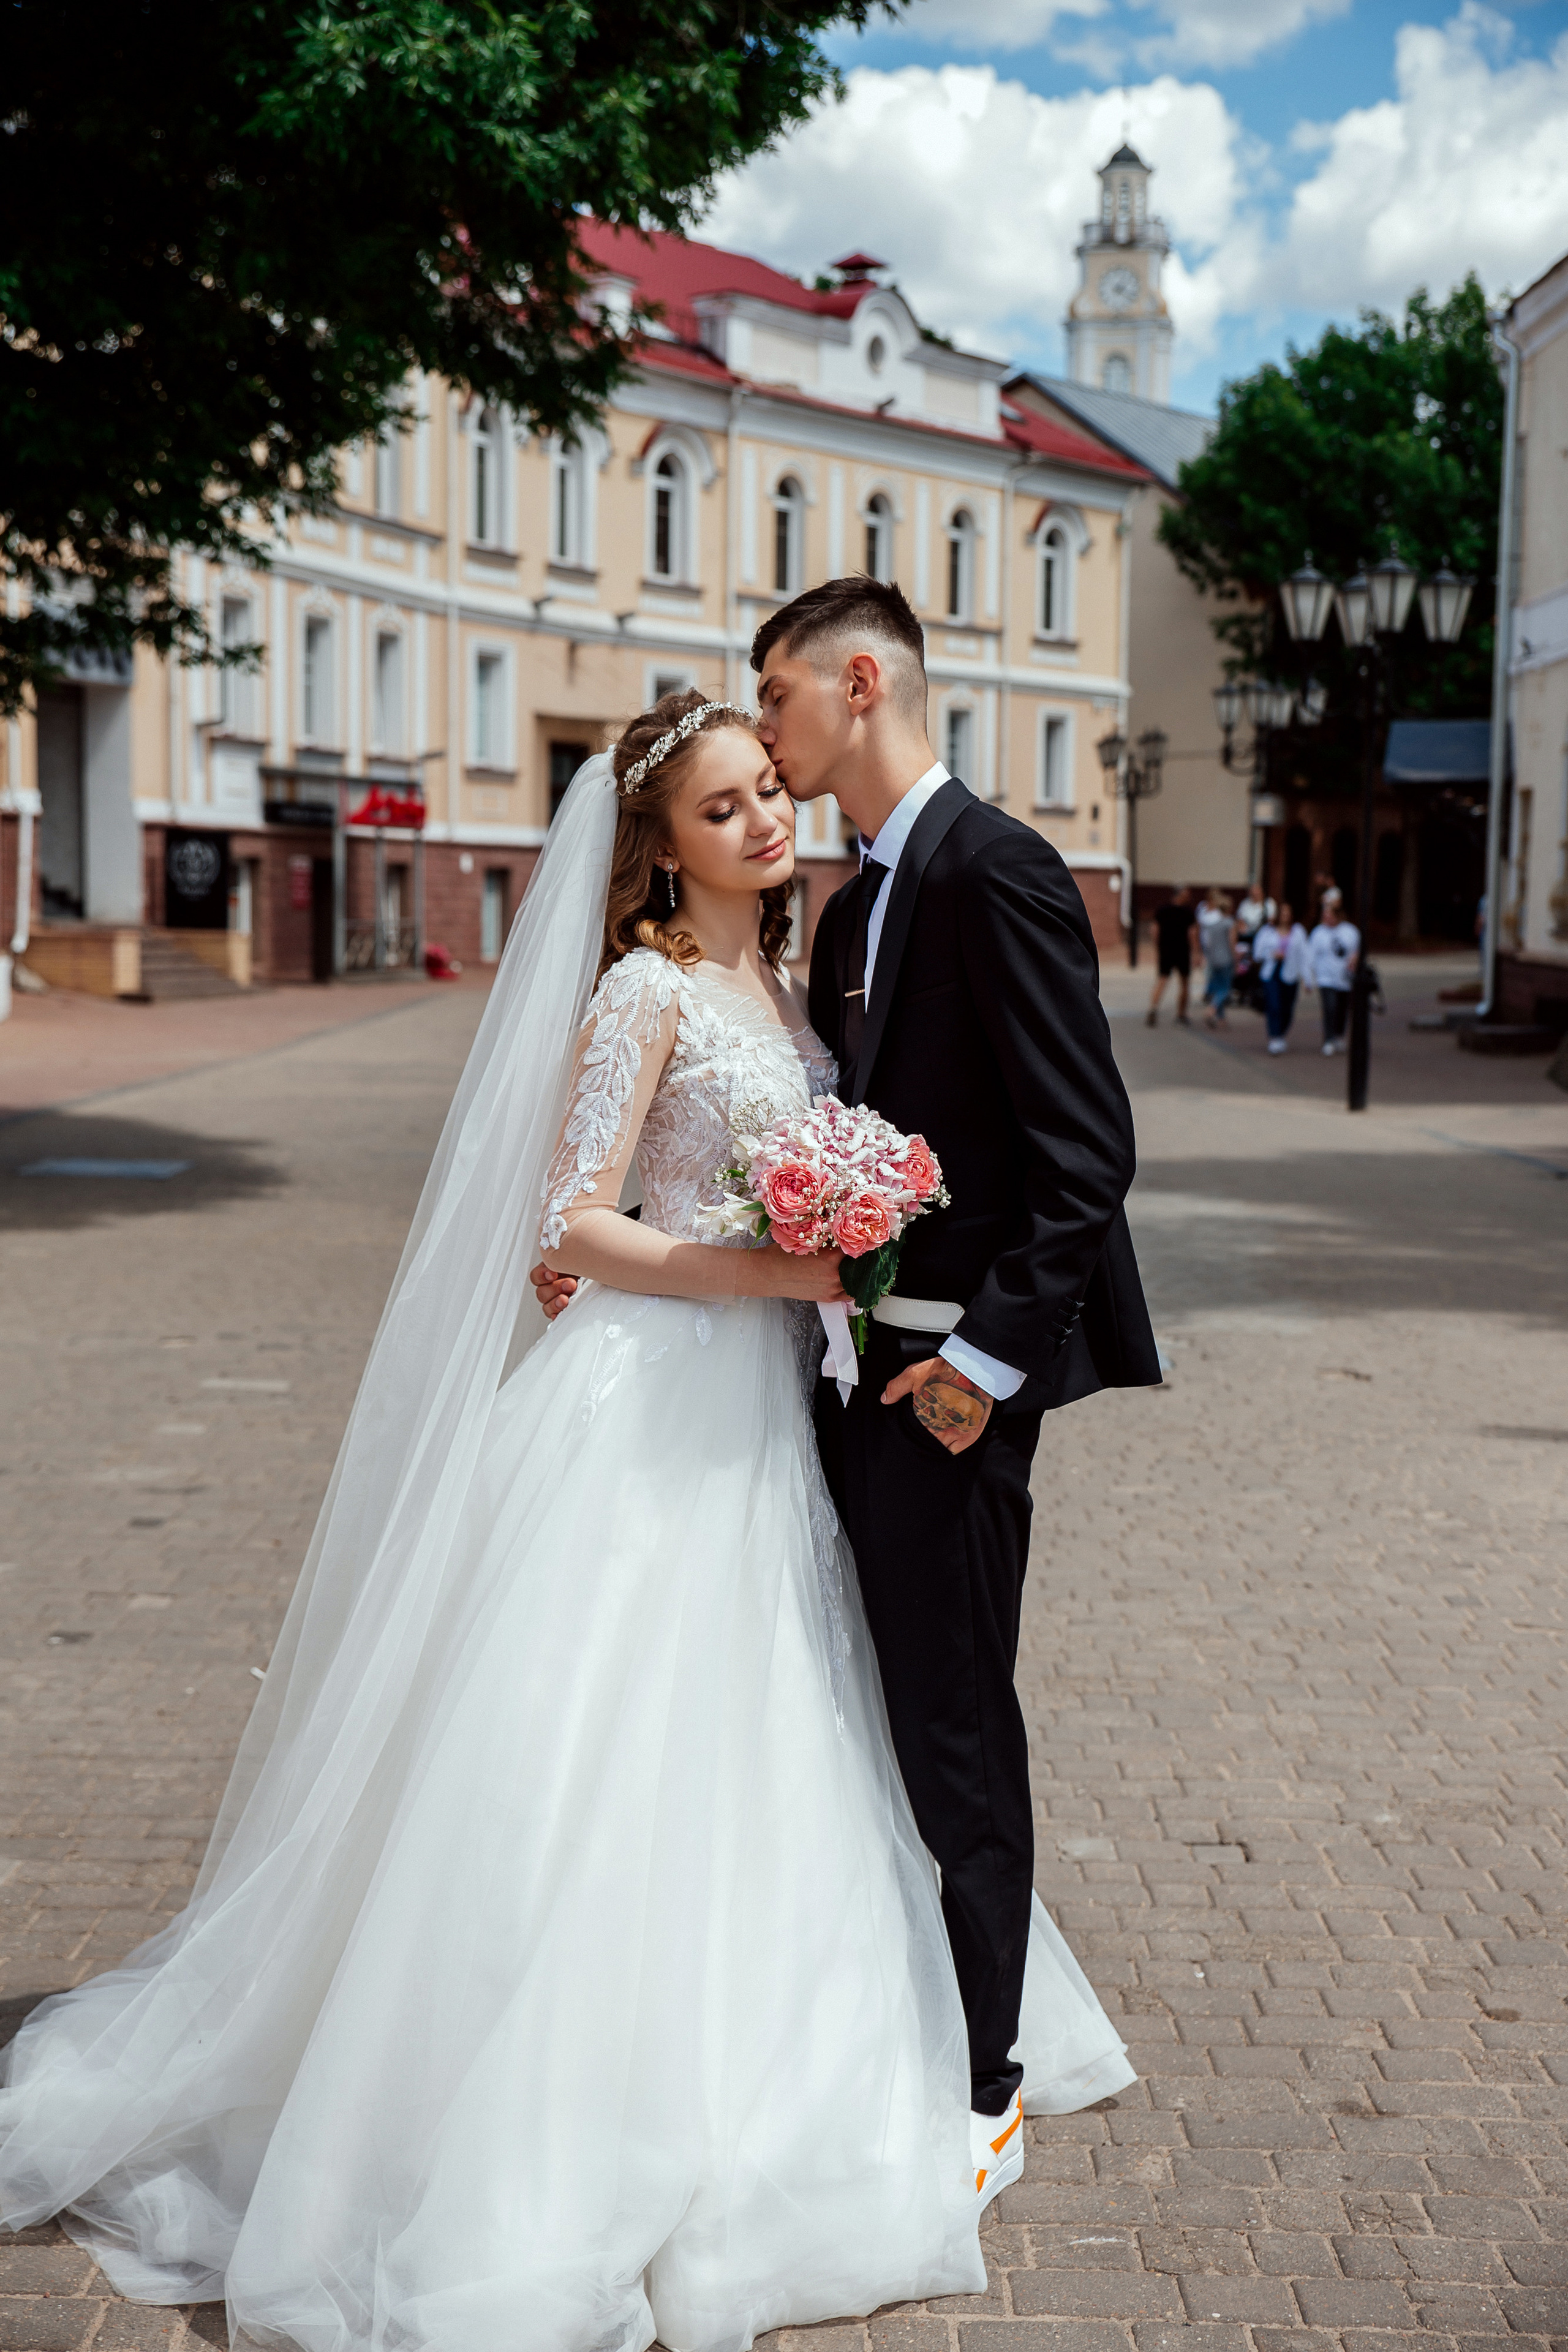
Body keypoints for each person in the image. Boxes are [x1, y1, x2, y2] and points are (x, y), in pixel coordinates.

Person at [2, 690, 1136, 2352]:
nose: (765, 823)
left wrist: (852, 1243)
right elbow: (578, 1223)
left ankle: (764, 2060)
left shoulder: (795, 973)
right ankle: (528, 2123)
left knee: (775, 1732)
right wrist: (799, 1263)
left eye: (767, 793)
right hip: (650, 1400)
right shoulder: (642, 989)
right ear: (656, 852)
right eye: (724, 810)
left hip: (768, 1410)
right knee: (598, 1742)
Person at [544, 579, 1156, 2193]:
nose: (768, 755)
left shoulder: (996, 869)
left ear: (856, 682)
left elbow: (1086, 1158)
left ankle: (987, 2084)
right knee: (872, 1716)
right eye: (726, 781)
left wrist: (977, 1369)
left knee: (955, 1725)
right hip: (827, 1382)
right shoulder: (860, 903)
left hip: (943, 1382)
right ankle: (897, 2024)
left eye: (777, 708)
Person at [1308, 886, 1359, 1055]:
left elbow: (1357, 950)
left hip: (1344, 978)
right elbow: (1311, 956)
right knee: (1330, 1007)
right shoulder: (1318, 933)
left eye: (1329, 915)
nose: (1325, 917)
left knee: (1342, 1009)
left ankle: (1338, 1036)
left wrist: (1355, 959)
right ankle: (1328, 1039)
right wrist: (1310, 979)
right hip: (1325, 978)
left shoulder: (1350, 931)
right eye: (1324, 914)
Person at [1252, 900, 1308, 1053]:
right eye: (1282, 913)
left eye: (1288, 913)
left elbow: (1304, 956)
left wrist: (1308, 979)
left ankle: (1281, 1034)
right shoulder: (1267, 931)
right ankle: (1274, 1037)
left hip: (1290, 974)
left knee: (1287, 1008)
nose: (1285, 916)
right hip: (1272, 973)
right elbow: (1257, 954)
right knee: (1274, 1005)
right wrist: (1272, 954)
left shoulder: (1298, 932)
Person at [1147, 886, 1196, 1025]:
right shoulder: (1188, 912)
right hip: (1182, 951)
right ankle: (1181, 1013)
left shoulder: (1163, 910)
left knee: (1163, 979)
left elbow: (1154, 930)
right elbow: (1192, 934)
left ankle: (1153, 1008)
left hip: (1167, 950)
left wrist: (1158, 947)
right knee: (1184, 982)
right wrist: (1196, 951)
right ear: (1180, 895)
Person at [1196, 888, 1236, 1028]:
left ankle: (1221, 1019)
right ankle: (1212, 1009)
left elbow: (1208, 942)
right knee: (1225, 989)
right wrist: (1236, 960)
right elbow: (1232, 944)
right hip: (1225, 959)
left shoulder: (1213, 924)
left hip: (1214, 960)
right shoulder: (1229, 923)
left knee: (1218, 987)